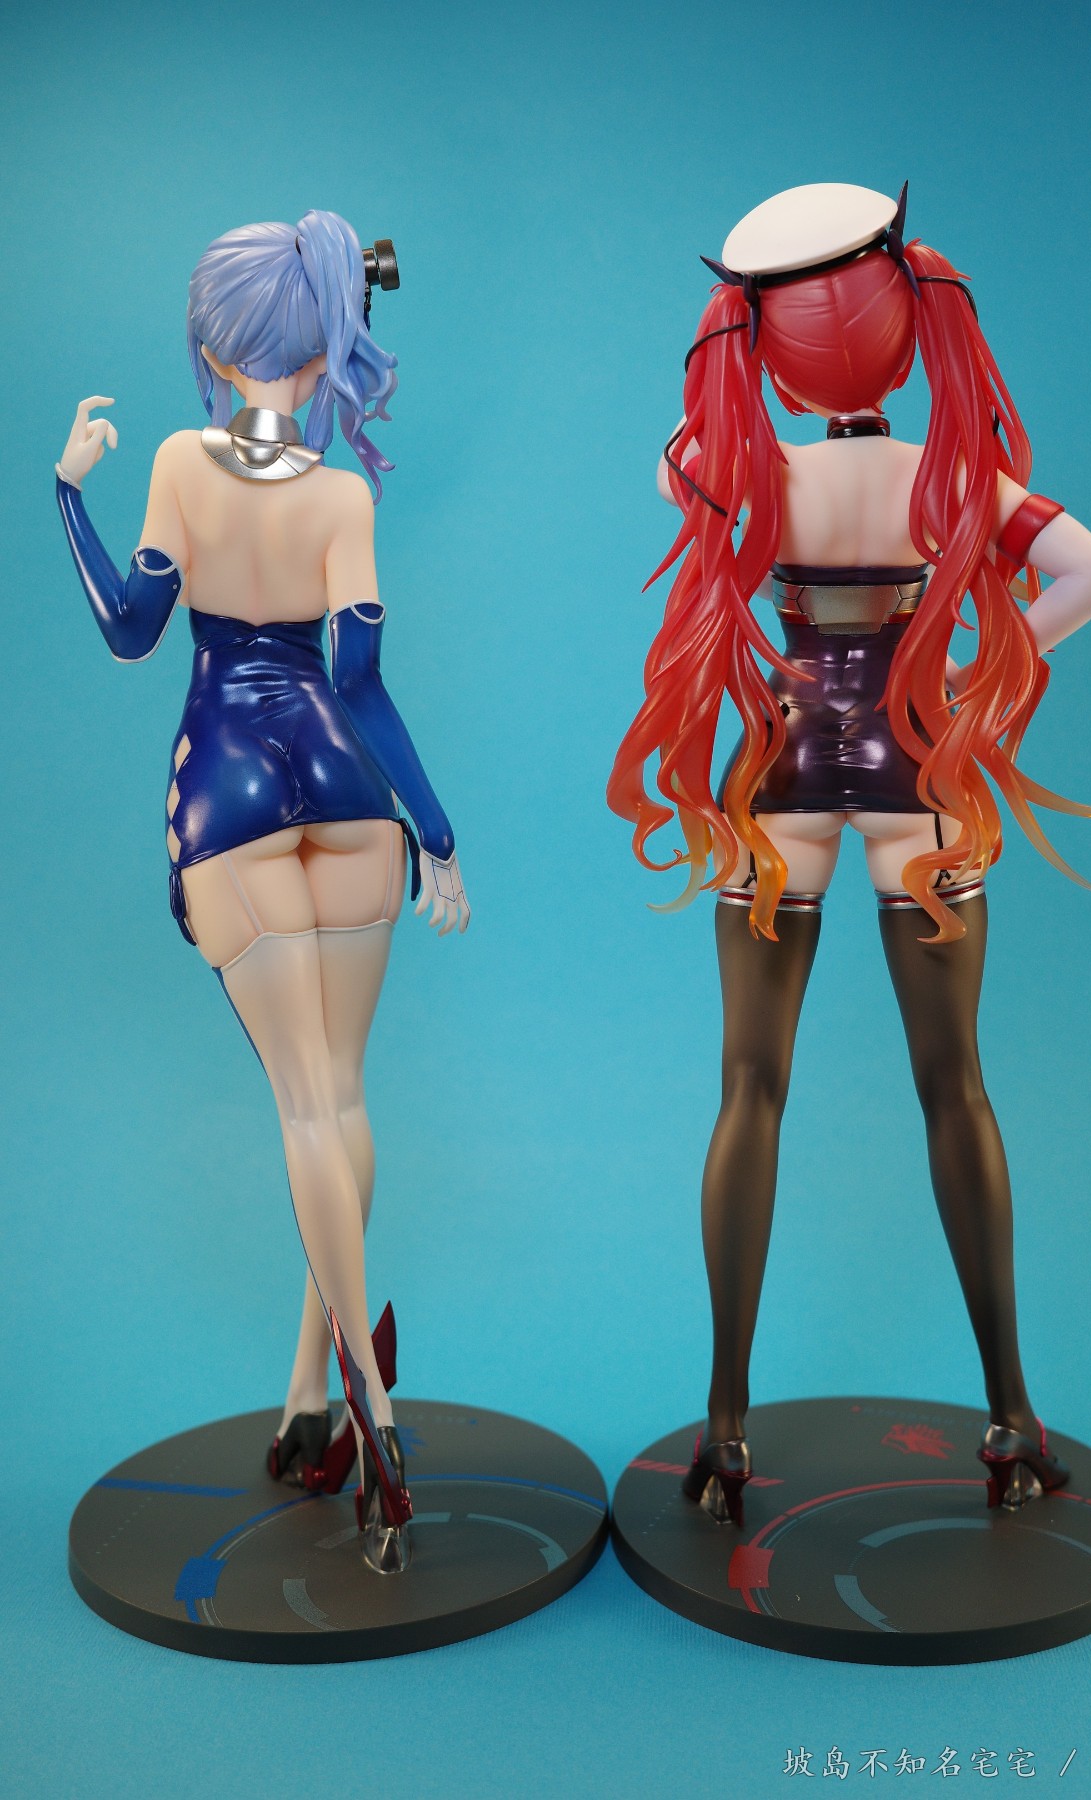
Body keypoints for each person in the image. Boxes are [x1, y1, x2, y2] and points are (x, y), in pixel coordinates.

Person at [608, 182, 1091, 1525]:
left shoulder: (752, 470)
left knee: (749, 1090)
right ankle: (1011, 1418)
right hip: (919, 777)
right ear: (905, 335)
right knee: (957, 1091)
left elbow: (676, 455)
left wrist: (743, 340)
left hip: (781, 774)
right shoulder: (951, 482)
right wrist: (962, 675)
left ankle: (726, 1430)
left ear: (774, 347)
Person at [55, 210, 469, 1572]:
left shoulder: (180, 461)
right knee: (340, 1100)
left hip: (229, 796)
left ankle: (375, 1424)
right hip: (353, 801)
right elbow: (361, 685)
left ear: (223, 347)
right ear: (324, 341)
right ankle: (311, 1402)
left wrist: (68, 496)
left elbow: (132, 632)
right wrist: (437, 831)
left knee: (306, 1109)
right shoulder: (343, 497)